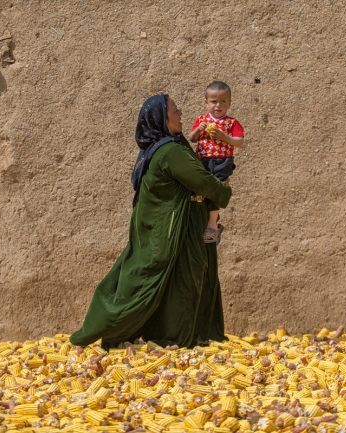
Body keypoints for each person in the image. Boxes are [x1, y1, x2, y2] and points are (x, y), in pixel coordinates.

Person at [69, 94, 232, 349]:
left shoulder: (172, 145)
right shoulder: (169, 152)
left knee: (176, 283)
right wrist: (224, 191)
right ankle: (113, 332)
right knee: (152, 282)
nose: (180, 113)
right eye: (175, 111)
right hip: (166, 231)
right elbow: (202, 181)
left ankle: (172, 338)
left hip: (171, 229)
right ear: (162, 120)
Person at [188, 81, 245, 244]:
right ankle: (202, 220)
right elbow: (192, 139)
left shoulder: (232, 123)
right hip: (203, 160)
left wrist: (225, 138)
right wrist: (199, 129)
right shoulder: (201, 120)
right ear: (206, 103)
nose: (218, 105)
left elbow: (240, 142)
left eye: (223, 101)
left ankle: (213, 225)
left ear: (229, 103)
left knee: (215, 190)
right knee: (199, 189)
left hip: (222, 161)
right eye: (214, 101)